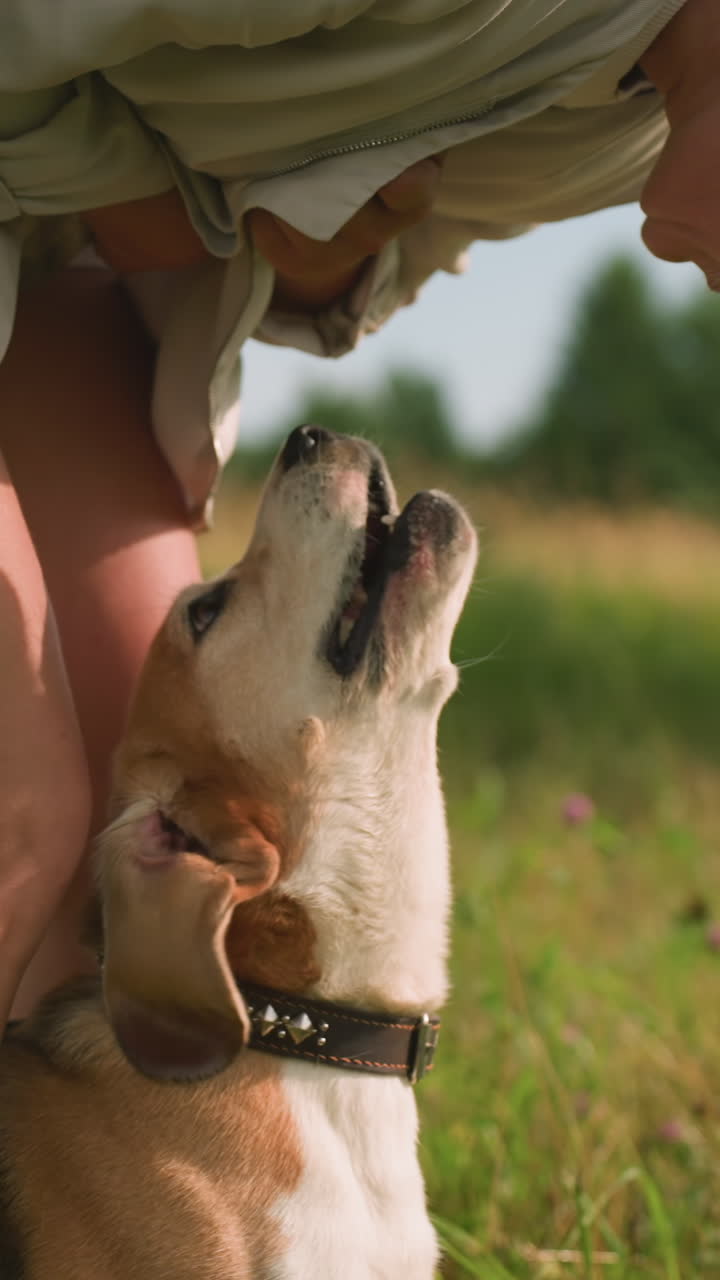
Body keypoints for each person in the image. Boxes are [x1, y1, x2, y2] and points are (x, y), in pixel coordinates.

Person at [0, 0, 716, 1032]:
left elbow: (406, 222)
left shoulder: (630, 134)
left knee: (121, 870)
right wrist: (135, 193)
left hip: (45, 265)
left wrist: (325, 256)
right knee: (23, 823)